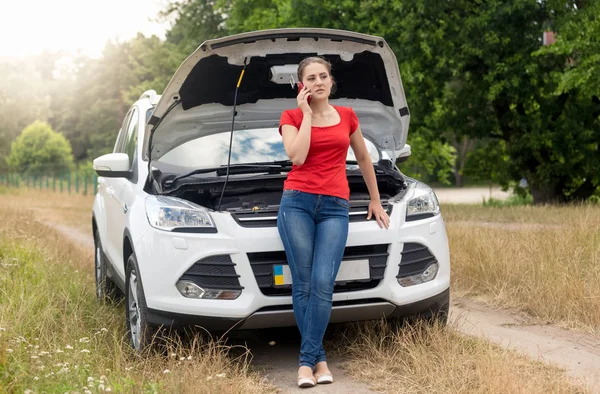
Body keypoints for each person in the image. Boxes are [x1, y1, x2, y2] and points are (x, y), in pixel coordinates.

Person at [276, 56, 390, 388]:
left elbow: (364, 157)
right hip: (296, 203)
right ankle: (317, 361)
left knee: (324, 283)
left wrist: (375, 199)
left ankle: (306, 362)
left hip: (335, 207)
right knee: (304, 284)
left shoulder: (348, 116)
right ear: (302, 85)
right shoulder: (292, 116)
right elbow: (296, 156)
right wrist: (308, 115)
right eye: (311, 78)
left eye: (323, 76)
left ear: (331, 80)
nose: (318, 82)